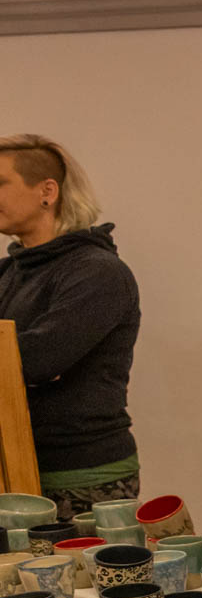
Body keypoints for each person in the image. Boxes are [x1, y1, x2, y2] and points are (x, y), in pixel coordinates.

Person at [0, 136, 140, 519]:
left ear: (47, 192)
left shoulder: (98, 272)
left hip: (82, 473)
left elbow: (37, 359)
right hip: (14, 469)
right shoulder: (8, 272)